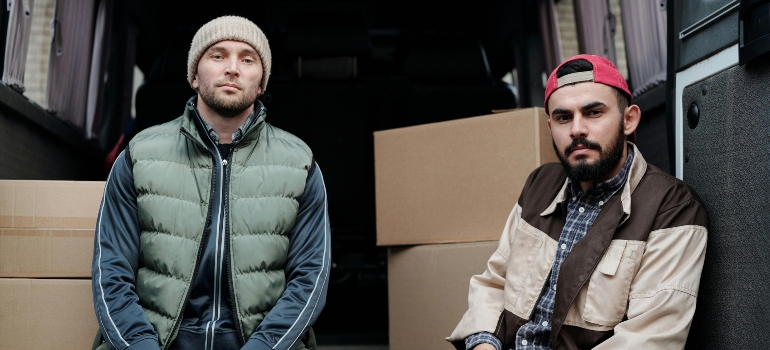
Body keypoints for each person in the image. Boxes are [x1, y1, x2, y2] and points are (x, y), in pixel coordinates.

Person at [91, 15, 330, 350]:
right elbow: (111, 275)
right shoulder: (139, 157)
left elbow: (310, 281)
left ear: (261, 82)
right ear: (193, 74)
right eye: (217, 55)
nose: (232, 68)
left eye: (248, 59)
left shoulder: (299, 164)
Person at [446, 54, 708, 350]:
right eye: (563, 117)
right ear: (551, 129)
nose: (577, 130)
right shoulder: (539, 186)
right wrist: (483, 344)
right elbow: (493, 283)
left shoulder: (672, 207)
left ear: (629, 119)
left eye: (593, 113)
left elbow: (648, 340)